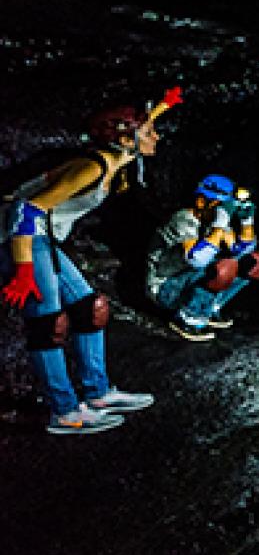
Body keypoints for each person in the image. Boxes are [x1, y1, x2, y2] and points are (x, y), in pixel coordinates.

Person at [0, 88, 181, 434]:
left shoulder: (118, 158)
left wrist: (163, 105)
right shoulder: (91, 167)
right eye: (149, 131)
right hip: (17, 236)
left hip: (42, 237)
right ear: (124, 137)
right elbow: (26, 209)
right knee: (48, 321)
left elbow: (137, 127)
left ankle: (97, 394)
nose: (156, 135)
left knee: (90, 307)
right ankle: (65, 412)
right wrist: (23, 271)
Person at [145, 173, 259, 340]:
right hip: (164, 288)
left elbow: (243, 252)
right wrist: (221, 221)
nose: (223, 211)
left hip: (187, 281)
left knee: (255, 262)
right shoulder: (182, 221)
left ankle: (210, 308)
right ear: (201, 201)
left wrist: (247, 221)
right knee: (224, 268)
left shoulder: (215, 223)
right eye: (220, 206)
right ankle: (187, 318)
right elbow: (197, 259)